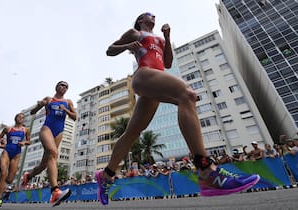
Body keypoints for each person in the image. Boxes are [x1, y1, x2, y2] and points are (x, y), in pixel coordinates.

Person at [95, 12, 260, 205]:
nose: (153, 16)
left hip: (154, 79)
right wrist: (127, 46)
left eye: (154, 15)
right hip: (143, 75)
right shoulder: (134, 33)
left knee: (132, 132)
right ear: (141, 20)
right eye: (149, 15)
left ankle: (106, 175)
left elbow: (167, 63)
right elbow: (110, 50)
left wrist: (167, 38)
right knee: (187, 95)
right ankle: (206, 170)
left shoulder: (159, 38)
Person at [21, 81, 77, 207]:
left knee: (44, 164)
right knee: (53, 153)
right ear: (56, 87)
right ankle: (55, 191)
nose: (64, 87)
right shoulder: (49, 99)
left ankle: (28, 176)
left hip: (59, 132)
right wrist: (39, 105)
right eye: (62, 85)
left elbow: (75, 117)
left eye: (66, 86)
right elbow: (32, 112)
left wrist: (66, 111)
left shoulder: (68, 102)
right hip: (47, 129)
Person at [0, 113, 31, 208]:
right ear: (15, 118)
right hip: (6, 151)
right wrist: (0, 141)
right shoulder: (8, 129)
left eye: (23, 118)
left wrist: (24, 142)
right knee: (3, 173)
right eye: (19, 117)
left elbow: (29, 141)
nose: (21, 118)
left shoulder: (25, 130)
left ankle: (0, 179)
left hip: (16, 154)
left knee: (9, 180)